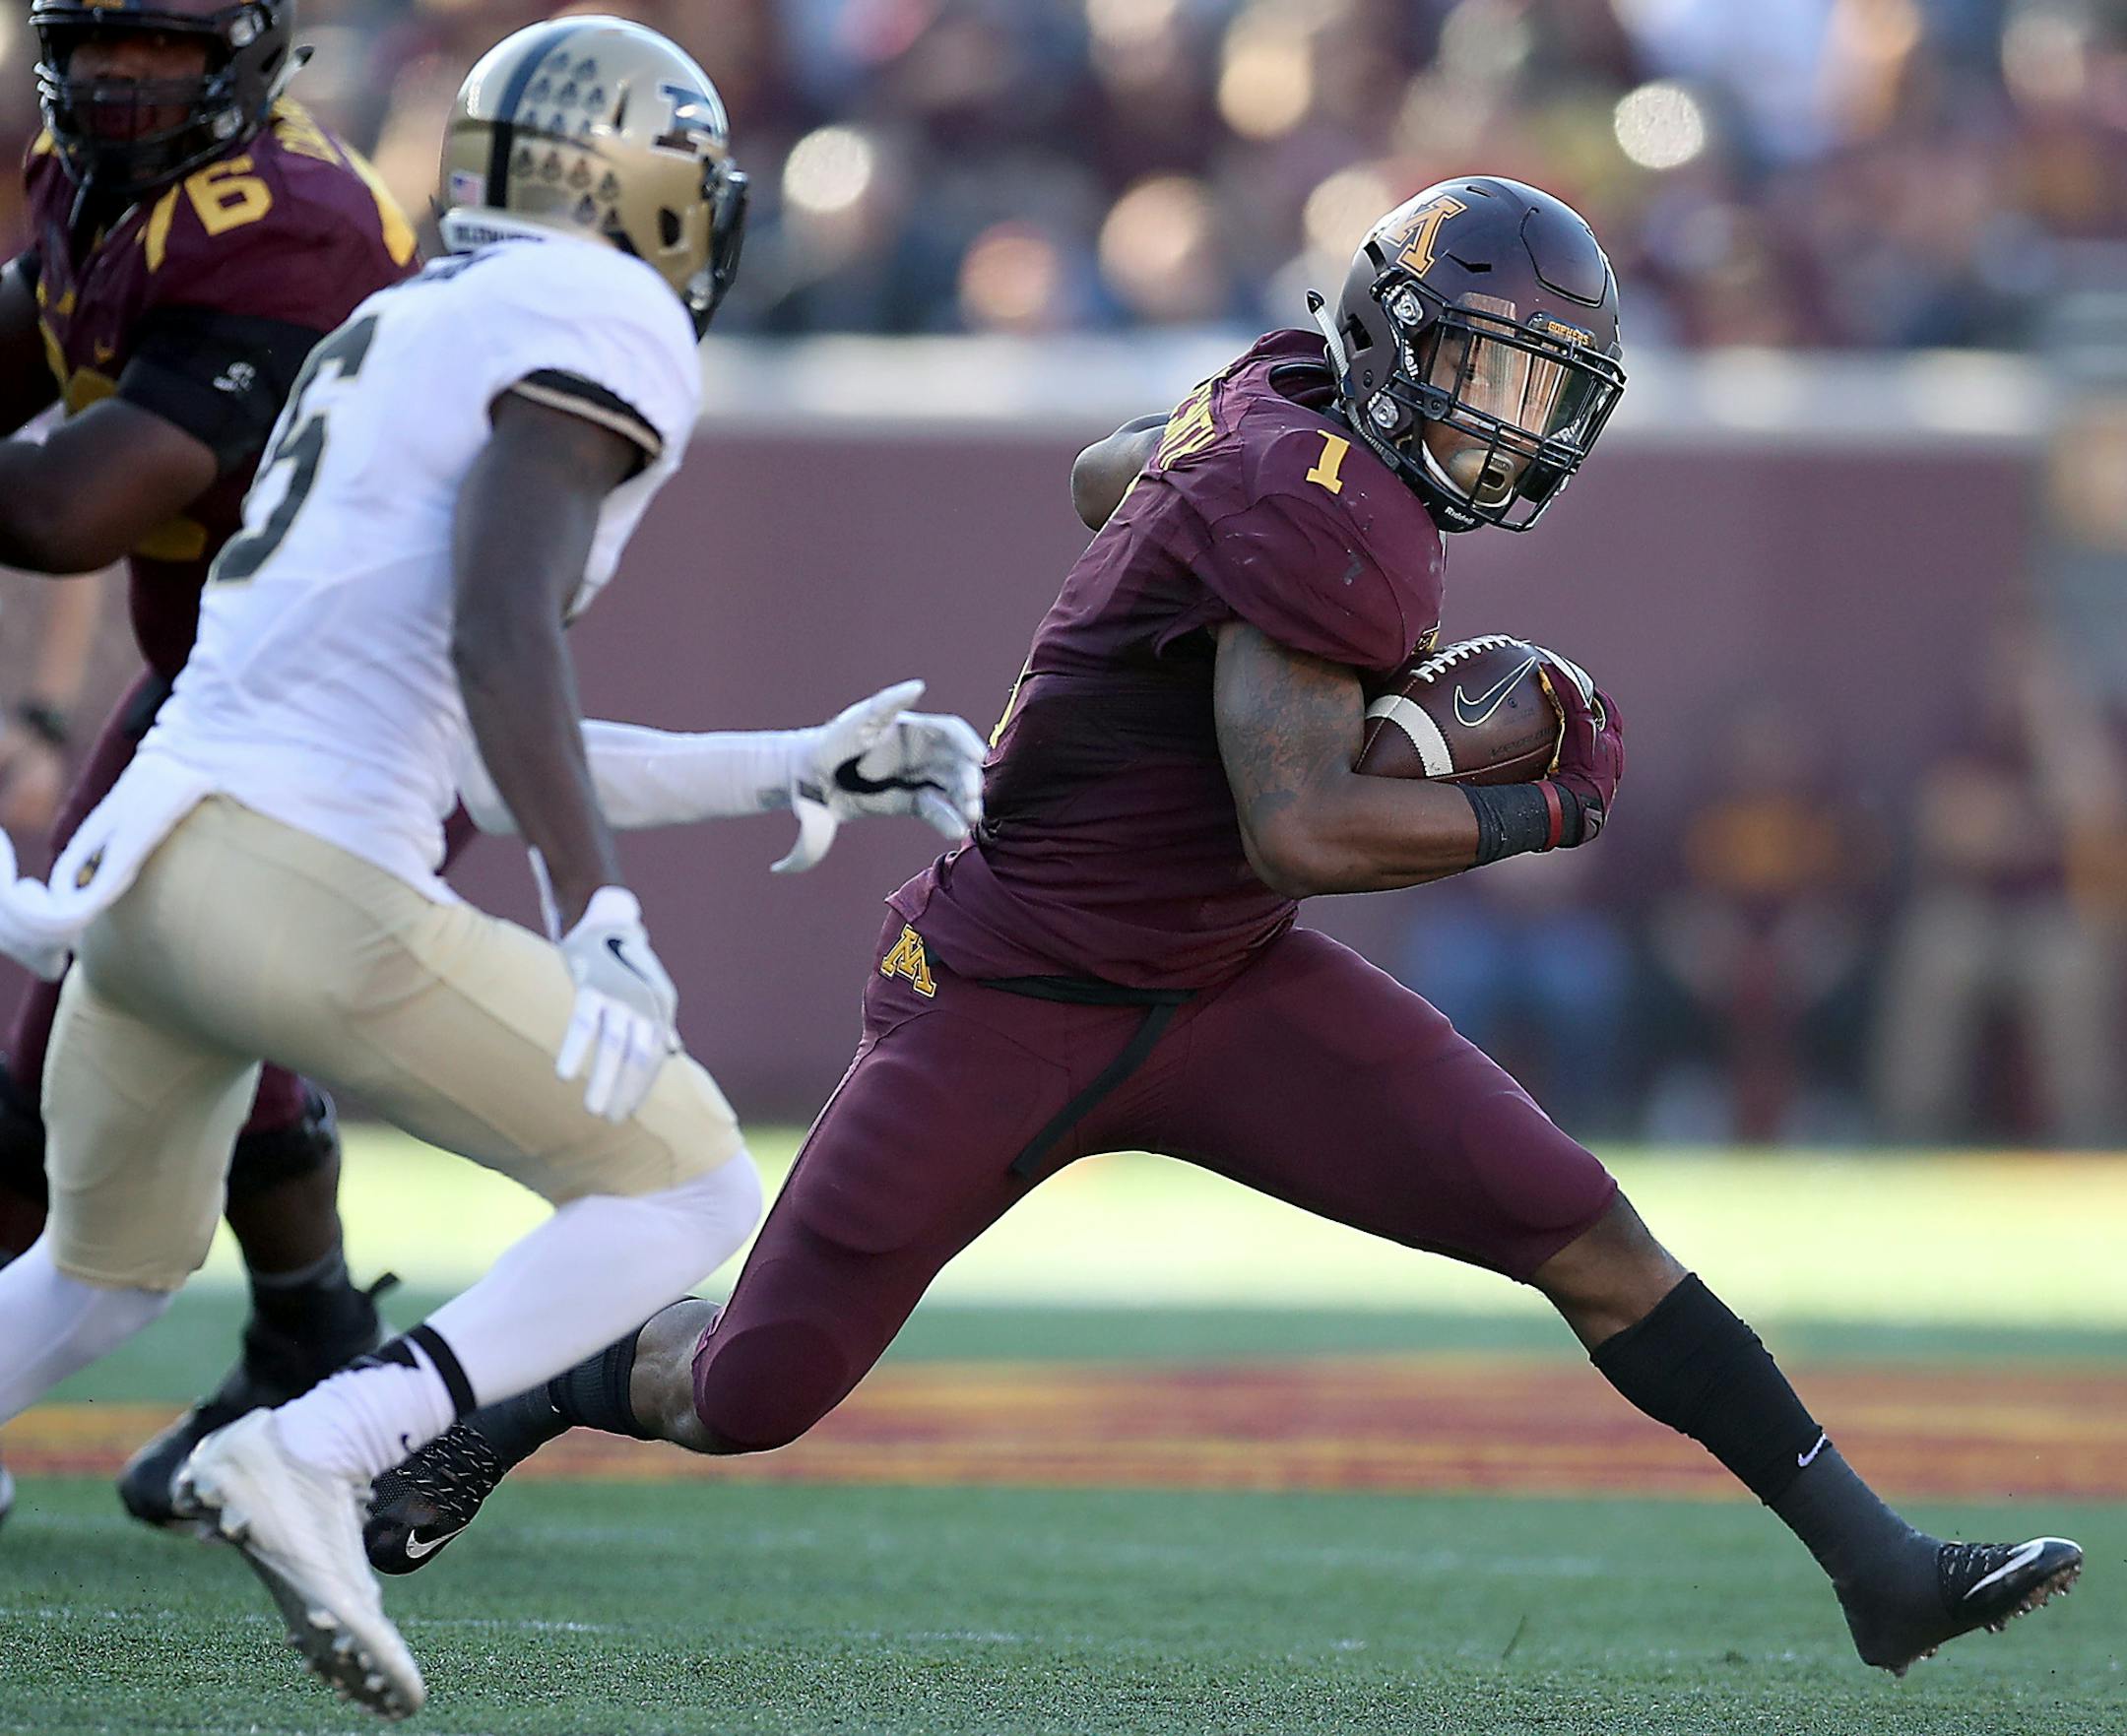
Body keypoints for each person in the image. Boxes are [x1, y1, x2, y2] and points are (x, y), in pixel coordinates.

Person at [365, 176, 2081, 1675]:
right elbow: (1307, 824)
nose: (1508, 421)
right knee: (749, 1390)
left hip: (1216, 976)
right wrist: (1544, 806)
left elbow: (1103, 474)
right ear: (1400, 345)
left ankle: (1881, 1572)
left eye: (1539, 388)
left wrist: (1201, 554)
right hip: (1011, 988)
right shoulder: (1323, 499)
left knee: (1575, 1222)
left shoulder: (1276, 394)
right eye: (1484, 373)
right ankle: (518, 1387)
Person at [0, 14, 979, 1717]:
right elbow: (499, 628)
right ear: (649, 194)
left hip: (138, 872)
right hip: (283, 877)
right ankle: (322, 1447)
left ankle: (304, 1431)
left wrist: (787, 768)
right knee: (684, 1181)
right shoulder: (595, 312)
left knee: (96, 1273)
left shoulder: (403, 317)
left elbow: (463, 728)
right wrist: (594, 909)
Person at [0, 0, 426, 1535]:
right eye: (94, 39)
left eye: (160, 47)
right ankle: (312, 1333)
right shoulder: (96, 176)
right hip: (220, 682)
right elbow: (21, 349)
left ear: (240, 55)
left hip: (345, 706)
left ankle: (385, 1374)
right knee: (165, 1029)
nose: (120, 74)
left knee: (65, 1086)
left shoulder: (284, 227)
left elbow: (60, 511)